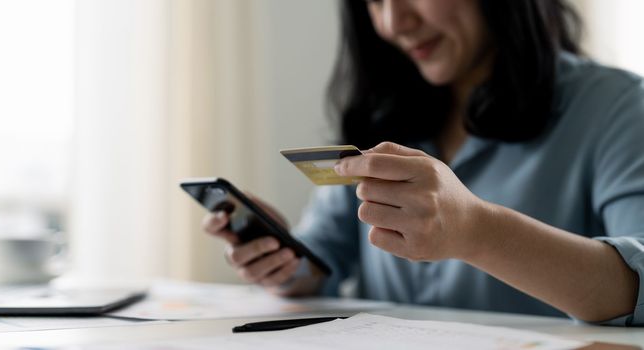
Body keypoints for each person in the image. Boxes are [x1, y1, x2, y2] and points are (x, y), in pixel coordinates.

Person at [203, 0, 644, 326]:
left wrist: (476, 230)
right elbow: (323, 263)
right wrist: (282, 259)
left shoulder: (617, 107)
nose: (395, 22)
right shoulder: (386, 115)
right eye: (374, 2)